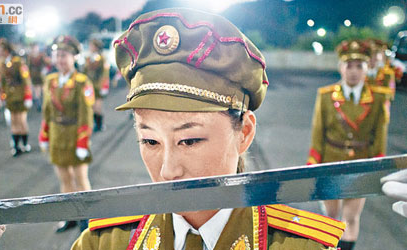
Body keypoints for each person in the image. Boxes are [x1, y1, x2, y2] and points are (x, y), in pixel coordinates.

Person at [72, 8, 346, 250]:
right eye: (149, 141)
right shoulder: (103, 243)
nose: (168, 171)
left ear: (245, 133)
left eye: (189, 140)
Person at [306, 39, 392, 250]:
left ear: (367, 68)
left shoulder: (378, 98)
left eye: (359, 66)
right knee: (331, 216)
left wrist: (376, 167)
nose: (354, 71)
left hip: (360, 165)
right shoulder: (325, 95)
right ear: (340, 68)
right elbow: (318, 132)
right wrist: (313, 164)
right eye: (349, 65)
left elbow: (379, 135)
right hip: (330, 162)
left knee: (351, 217)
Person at [38, 35, 94, 233]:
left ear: (74, 58)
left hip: (75, 135)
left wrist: (82, 143)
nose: (60, 59)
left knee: (80, 178)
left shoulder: (81, 82)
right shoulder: (50, 80)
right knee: (64, 179)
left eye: (64, 55)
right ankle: (70, 216)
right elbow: (47, 111)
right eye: (57, 55)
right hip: (56, 135)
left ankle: (86, 220)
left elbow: (86, 115)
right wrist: (44, 135)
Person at [0, 40, 33, 157]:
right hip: (10, 96)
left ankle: (25, 144)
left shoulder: (18, 62)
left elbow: (26, 80)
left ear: (6, 51)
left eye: (1, 50)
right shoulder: (1, 63)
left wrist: (28, 96)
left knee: (21, 121)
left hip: (20, 95)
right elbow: (3, 82)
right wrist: (2, 95)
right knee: (13, 120)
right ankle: (16, 146)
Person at [84, 39, 110, 132]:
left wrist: (104, 85)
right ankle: (96, 123)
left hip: (98, 84)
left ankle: (100, 124)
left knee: (97, 105)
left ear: (96, 47)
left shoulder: (102, 58)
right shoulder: (88, 58)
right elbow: (85, 71)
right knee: (91, 105)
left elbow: (105, 72)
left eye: (92, 45)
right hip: (89, 84)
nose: (90, 47)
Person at [27, 42, 50, 111]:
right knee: (37, 91)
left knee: (43, 90)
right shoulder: (30, 56)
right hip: (34, 75)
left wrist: (45, 69)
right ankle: (39, 105)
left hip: (41, 74)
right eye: (33, 48)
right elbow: (29, 66)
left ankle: (44, 104)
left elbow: (46, 63)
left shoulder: (41, 55)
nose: (35, 49)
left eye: (36, 47)